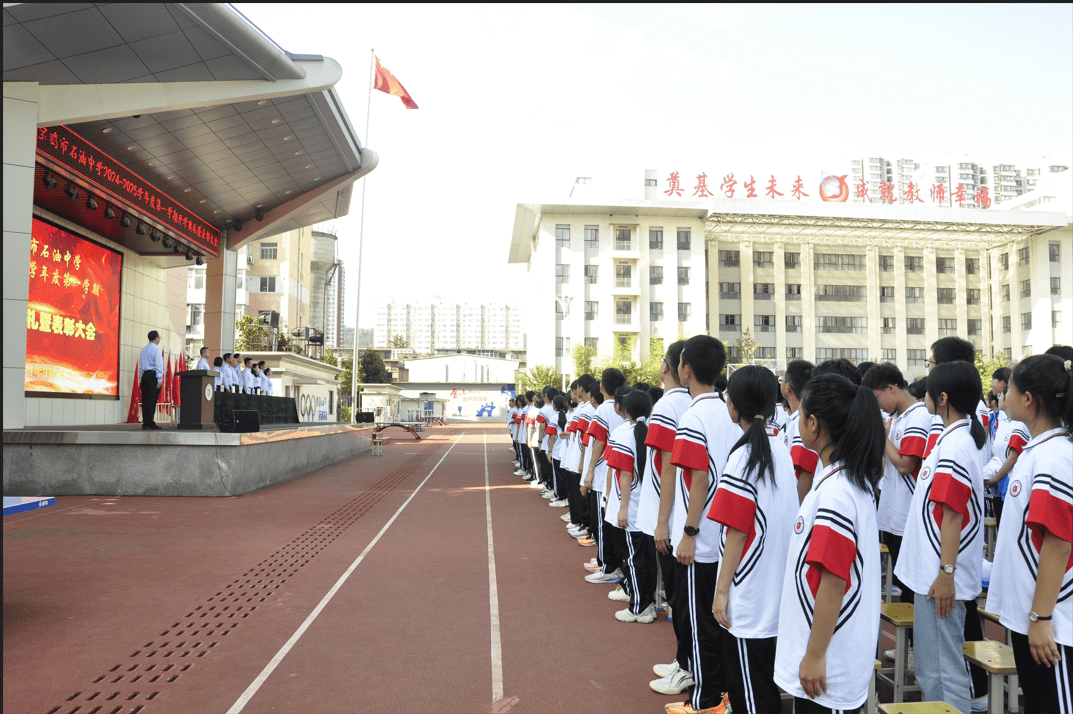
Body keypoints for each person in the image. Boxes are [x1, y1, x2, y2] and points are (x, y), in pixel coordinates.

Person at [773, 374, 884, 714]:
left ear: (814, 424)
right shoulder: (840, 480)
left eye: (801, 413)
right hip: (829, 655)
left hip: (829, 663)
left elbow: (833, 580)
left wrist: (815, 654)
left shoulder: (836, 493)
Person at [895, 361, 987, 714]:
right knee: (932, 668)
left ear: (943, 398)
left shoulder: (956, 446)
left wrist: (947, 573)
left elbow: (952, 513)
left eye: (930, 391)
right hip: (933, 574)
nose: (925, 396)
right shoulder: (953, 439)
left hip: (939, 578)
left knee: (942, 672)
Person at [985, 354, 1072, 714]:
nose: (1003, 398)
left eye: (1011, 391)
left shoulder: (1053, 456)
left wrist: (1041, 618)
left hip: (1053, 623)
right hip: (1033, 617)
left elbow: (1057, 541)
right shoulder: (1040, 450)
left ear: (1028, 399)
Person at [709, 365, 798, 714]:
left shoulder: (743, 457)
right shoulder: (779, 449)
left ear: (733, 405)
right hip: (776, 586)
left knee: (751, 695)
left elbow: (737, 531)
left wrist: (721, 590)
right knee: (762, 688)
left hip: (748, 593)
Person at [666, 335, 738, 714]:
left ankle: (705, 700)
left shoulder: (693, 416)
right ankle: (722, 694)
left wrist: (689, 533)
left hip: (705, 537)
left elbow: (699, 479)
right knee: (720, 622)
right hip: (729, 535)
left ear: (686, 369)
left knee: (701, 623)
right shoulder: (729, 410)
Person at [645, 340, 697, 696]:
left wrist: (662, 521)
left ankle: (688, 666)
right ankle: (685, 661)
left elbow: (666, 469)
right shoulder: (700, 404)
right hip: (692, 517)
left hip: (680, 518)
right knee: (687, 600)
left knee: (682, 599)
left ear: (673, 367)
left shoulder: (669, 406)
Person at [863, 362, 931, 606]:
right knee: (903, 584)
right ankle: (910, 643)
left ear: (891, 388)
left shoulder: (919, 416)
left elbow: (905, 464)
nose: (878, 405)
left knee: (911, 587)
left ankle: (914, 642)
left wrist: (882, 436)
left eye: (877, 397)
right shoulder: (898, 418)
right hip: (894, 513)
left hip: (909, 513)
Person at [606, 388, 659, 624]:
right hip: (648, 509)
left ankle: (640, 607)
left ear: (625, 410)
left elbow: (624, 475)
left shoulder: (624, 436)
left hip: (633, 509)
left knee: (633, 560)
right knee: (645, 560)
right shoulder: (651, 433)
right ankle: (647, 604)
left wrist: (623, 508)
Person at [582, 369, 627, 585]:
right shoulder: (623, 408)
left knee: (604, 522)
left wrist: (589, 471)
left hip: (605, 472)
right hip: (622, 470)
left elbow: (599, 441)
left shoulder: (602, 411)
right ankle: (613, 564)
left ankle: (608, 565)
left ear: (601, 387)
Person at [781, 359, 817, 502]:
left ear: (788, 387)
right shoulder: (794, 419)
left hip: (796, 503)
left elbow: (806, 472)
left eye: (782, 380)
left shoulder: (803, 422)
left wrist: (799, 512)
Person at [138, 330, 164, 430]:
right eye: (159, 337)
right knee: (152, 400)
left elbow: (141, 366)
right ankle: (150, 422)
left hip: (144, 376)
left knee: (145, 400)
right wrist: (159, 379)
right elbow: (158, 365)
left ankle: (145, 422)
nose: (159, 339)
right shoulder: (157, 349)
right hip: (152, 376)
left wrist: (141, 378)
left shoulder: (143, 350)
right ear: (156, 338)